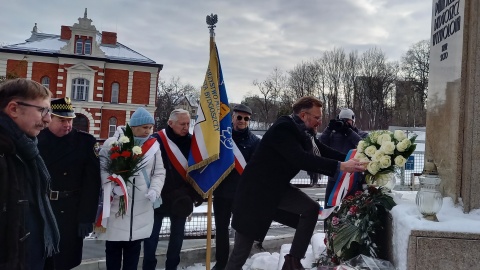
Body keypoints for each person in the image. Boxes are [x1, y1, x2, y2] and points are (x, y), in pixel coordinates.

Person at [225, 96, 366, 270]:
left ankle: (293, 262)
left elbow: (321, 150)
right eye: (316, 118)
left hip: (276, 191)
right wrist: (341, 166)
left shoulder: (304, 133)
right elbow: (301, 159)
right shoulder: (283, 129)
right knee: (240, 252)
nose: (319, 122)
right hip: (256, 196)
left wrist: (352, 159)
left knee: (310, 209)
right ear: (303, 115)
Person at [0, 78, 60, 270]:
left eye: (48, 111)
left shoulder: (27, 149)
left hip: (31, 257)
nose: (48, 119)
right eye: (42, 110)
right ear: (14, 109)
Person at [97, 107, 165, 270]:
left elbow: (159, 171)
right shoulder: (113, 144)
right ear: (133, 127)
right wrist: (113, 188)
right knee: (113, 252)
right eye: (144, 127)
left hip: (141, 207)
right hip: (116, 208)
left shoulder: (154, 146)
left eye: (150, 127)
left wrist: (155, 189)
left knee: (133, 255)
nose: (148, 131)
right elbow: (103, 170)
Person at [37, 97, 101, 270]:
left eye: (70, 120)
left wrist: (86, 217)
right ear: (49, 118)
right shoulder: (36, 139)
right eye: (62, 120)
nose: (68, 125)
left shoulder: (85, 142)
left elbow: (92, 184)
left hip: (71, 210)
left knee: (65, 261)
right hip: (42, 208)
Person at [143, 109, 204, 270]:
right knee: (151, 239)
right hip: (159, 198)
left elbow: (197, 172)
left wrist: (192, 196)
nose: (186, 127)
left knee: (177, 240)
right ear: (170, 123)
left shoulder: (192, 142)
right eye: (182, 124)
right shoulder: (156, 140)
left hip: (181, 199)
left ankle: (172, 267)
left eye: (188, 124)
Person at [212, 104, 260, 270]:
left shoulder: (255, 142)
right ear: (232, 118)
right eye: (239, 117)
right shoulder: (221, 138)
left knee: (241, 231)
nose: (242, 121)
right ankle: (221, 262)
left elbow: (255, 169)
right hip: (222, 192)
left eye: (246, 118)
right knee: (221, 231)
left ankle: (235, 264)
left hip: (242, 194)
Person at [319, 108, 368, 206]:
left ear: (353, 121)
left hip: (354, 179)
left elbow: (364, 146)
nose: (345, 123)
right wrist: (329, 129)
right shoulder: (332, 135)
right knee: (330, 208)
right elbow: (319, 144)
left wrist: (349, 132)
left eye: (347, 121)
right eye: (342, 121)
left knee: (354, 209)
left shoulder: (361, 134)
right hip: (335, 177)